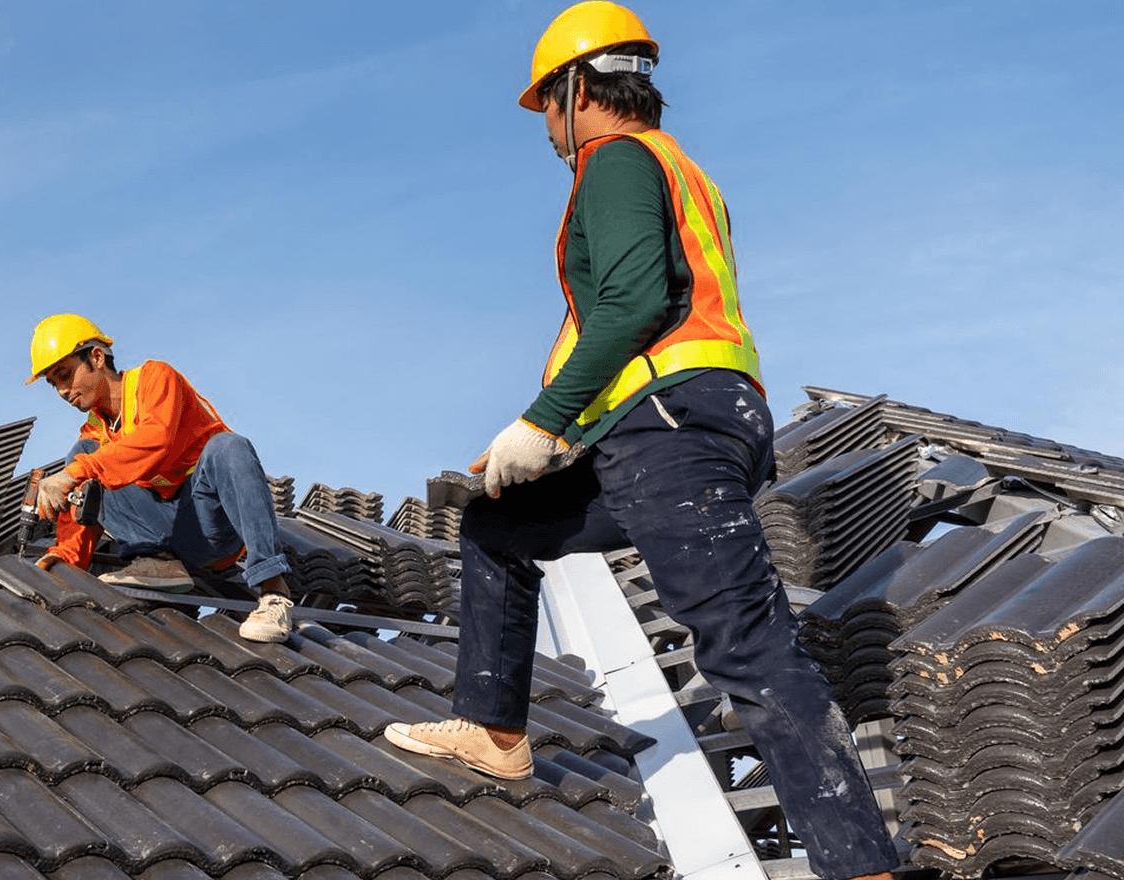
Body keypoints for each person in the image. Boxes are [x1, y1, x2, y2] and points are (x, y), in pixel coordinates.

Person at [379, 5, 900, 880]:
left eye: (547, 103)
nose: (545, 126)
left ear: (578, 88)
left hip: (673, 434)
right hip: (666, 429)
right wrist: (549, 427)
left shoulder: (614, 161)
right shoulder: (683, 171)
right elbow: (645, 318)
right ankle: (497, 729)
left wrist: (544, 423)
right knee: (498, 528)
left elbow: (630, 307)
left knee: (746, 645)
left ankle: (864, 867)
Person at [24, 313, 297, 643]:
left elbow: (158, 438)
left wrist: (74, 473)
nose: (62, 391)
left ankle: (273, 592)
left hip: (209, 525)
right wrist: (60, 562)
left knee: (229, 446)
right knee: (83, 455)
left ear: (96, 357)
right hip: (163, 533)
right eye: (54, 384)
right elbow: (86, 497)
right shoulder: (94, 432)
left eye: (65, 375)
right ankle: (157, 563)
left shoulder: (154, 379)